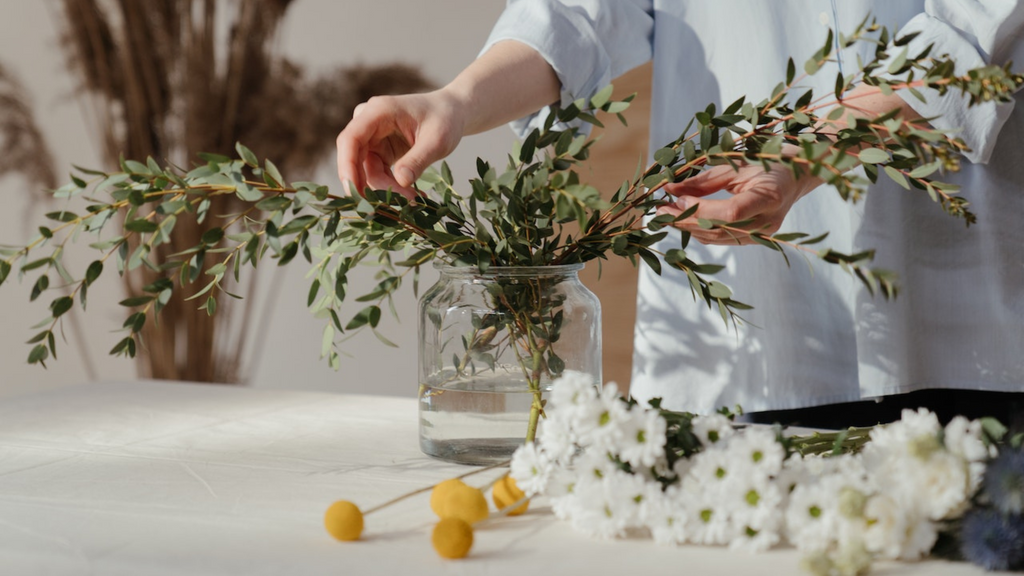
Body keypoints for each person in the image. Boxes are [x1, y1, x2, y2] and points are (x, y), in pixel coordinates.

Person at [336, 1, 1024, 428]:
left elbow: (976, 24)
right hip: (750, 335)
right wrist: (458, 100)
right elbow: (581, 10)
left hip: (964, 315)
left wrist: (799, 155)